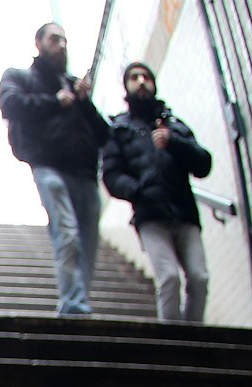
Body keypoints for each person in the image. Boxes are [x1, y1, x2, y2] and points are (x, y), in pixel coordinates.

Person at [0, 23, 112, 316]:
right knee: (68, 234)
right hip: (48, 166)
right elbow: (10, 104)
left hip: (86, 174)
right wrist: (55, 102)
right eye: (54, 39)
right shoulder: (21, 77)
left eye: (64, 40)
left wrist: (84, 103)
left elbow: (105, 135)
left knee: (88, 242)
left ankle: (79, 302)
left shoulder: (75, 88)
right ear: (38, 43)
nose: (61, 45)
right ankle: (73, 305)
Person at [100, 61, 213, 323]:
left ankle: (193, 341)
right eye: (134, 77)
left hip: (184, 213)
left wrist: (172, 141)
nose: (141, 82)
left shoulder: (174, 125)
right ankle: (174, 347)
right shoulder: (119, 129)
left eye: (146, 77)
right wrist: (138, 191)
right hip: (150, 216)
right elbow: (112, 175)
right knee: (169, 278)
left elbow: (203, 163)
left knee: (199, 278)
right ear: (126, 86)